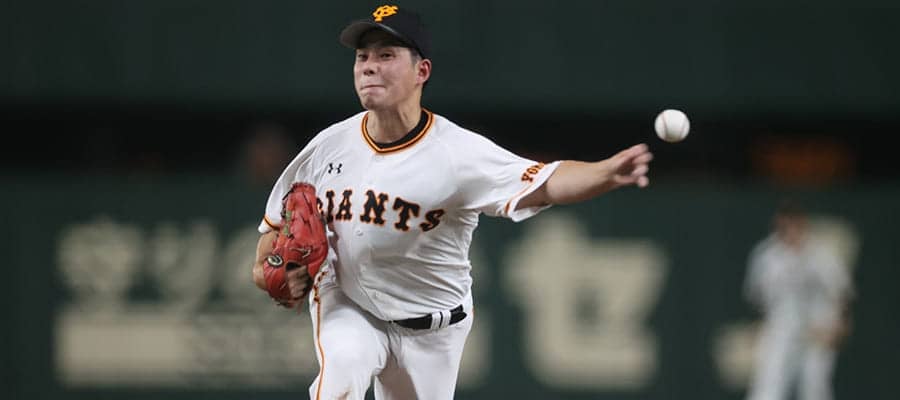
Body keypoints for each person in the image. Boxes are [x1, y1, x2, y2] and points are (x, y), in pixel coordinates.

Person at [251, 5, 653, 399]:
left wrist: (604, 172)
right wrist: (275, 274)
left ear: (421, 71)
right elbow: (268, 245)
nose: (369, 66)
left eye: (386, 55)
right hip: (349, 306)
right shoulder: (327, 147)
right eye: (362, 57)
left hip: (433, 330)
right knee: (339, 380)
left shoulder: (456, 153)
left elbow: (545, 183)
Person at [743, 200, 854, 400]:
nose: (788, 232)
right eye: (783, 227)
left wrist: (840, 325)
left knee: (814, 387)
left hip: (818, 325)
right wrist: (762, 324)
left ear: (803, 225)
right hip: (782, 324)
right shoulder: (767, 256)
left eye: (793, 226)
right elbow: (757, 296)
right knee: (768, 384)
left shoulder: (821, 253)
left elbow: (842, 290)